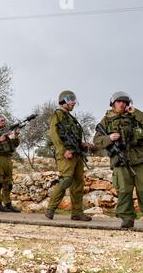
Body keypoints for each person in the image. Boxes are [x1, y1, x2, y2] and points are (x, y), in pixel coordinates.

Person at [93, 91, 143, 229]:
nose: (122, 104)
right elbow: (97, 140)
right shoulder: (107, 120)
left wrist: (136, 112)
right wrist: (109, 138)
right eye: (119, 101)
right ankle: (127, 218)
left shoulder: (135, 117)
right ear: (113, 103)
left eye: (125, 102)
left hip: (138, 159)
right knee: (124, 190)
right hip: (120, 160)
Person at [45, 91, 92, 221]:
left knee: (78, 184)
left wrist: (82, 144)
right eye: (70, 100)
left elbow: (73, 136)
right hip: (66, 154)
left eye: (73, 100)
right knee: (66, 180)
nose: (73, 103)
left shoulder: (70, 118)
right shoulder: (57, 115)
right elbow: (54, 135)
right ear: (63, 101)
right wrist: (63, 150)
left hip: (77, 153)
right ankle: (51, 208)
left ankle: (77, 212)